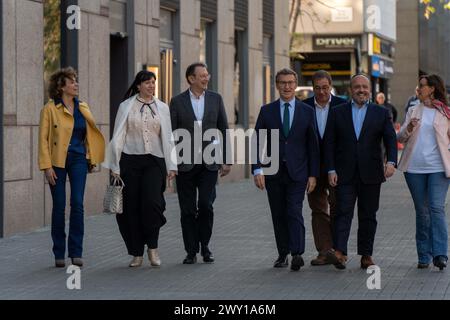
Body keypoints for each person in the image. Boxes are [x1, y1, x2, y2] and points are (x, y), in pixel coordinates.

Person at [102, 70, 177, 268]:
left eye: (153, 82)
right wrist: (114, 166)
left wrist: (172, 165)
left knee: (153, 205)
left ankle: (153, 248)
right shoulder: (126, 106)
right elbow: (119, 135)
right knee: (130, 209)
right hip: (130, 161)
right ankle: (136, 253)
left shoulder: (162, 107)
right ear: (138, 85)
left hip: (155, 161)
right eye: (147, 83)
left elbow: (168, 136)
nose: (151, 86)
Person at [324, 74, 397, 270]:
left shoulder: (381, 113)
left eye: (365, 87)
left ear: (370, 90)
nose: (361, 90)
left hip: (371, 173)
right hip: (344, 173)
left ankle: (366, 255)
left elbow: (390, 139)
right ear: (350, 90)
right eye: (357, 87)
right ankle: (340, 252)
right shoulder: (337, 112)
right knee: (342, 212)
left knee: (368, 215)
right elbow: (329, 143)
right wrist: (330, 168)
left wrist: (391, 162)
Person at [253, 68, 320, 271]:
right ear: (277, 85)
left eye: (290, 82)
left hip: (298, 172)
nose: (287, 86)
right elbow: (257, 141)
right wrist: (257, 170)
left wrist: (313, 174)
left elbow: (313, 145)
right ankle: (282, 253)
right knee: (278, 214)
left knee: (294, 210)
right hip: (273, 172)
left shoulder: (307, 111)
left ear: (296, 84)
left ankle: (297, 252)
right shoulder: (267, 111)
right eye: (283, 83)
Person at [38, 67, 105, 268]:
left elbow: (90, 134)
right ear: (61, 86)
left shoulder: (82, 107)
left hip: (78, 160)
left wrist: (91, 157)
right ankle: (59, 252)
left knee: (77, 203)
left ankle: (76, 251)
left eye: (76, 81)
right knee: (59, 206)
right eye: (72, 82)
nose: (76, 85)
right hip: (56, 161)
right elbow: (43, 139)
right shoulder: (49, 109)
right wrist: (46, 166)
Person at [170, 63, 231, 264]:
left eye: (207, 74)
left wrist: (226, 159)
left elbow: (223, 128)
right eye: (202, 75)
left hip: (209, 162)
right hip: (184, 163)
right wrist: (171, 163)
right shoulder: (177, 102)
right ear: (191, 79)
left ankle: (205, 245)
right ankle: (190, 250)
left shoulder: (216, 99)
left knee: (205, 205)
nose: (206, 78)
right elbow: (171, 134)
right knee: (187, 209)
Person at [397, 74, 450, 270]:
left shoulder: (445, 112)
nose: (418, 89)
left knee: (436, 208)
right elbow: (400, 137)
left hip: (438, 168)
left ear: (432, 89)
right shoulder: (413, 110)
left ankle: (440, 254)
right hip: (414, 168)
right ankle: (424, 255)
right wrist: (409, 127)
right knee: (422, 212)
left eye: (422, 86)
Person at [303, 70, 347, 266]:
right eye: (318, 88)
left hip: (337, 168)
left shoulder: (343, 106)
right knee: (318, 209)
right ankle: (324, 251)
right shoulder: (303, 107)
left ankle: (338, 250)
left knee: (338, 207)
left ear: (331, 87)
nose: (321, 92)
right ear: (313, 88)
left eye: (325, 87)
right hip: (311, 169)